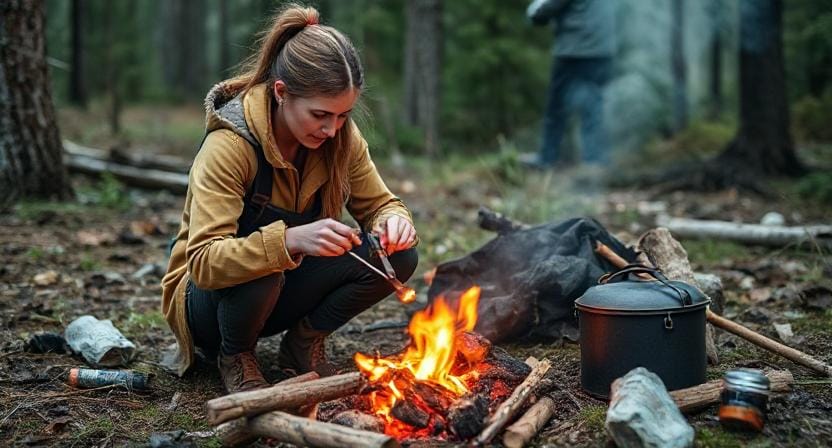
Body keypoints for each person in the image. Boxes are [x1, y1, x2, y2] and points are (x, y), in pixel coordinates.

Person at [161, 4, 418, 394]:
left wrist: (392, 222)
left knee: (400, 257)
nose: (333, 129)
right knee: (266, 266)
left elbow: (380, 204)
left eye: (344, 115)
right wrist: (288, 241)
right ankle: (236, 355)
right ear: (281, 93)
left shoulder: (340, 140)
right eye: (321, 115)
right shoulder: (229, 146)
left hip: (279, 291)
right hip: (209, 307)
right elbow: (203, 264)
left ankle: (302, 342)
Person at [525, 0, 616, 169]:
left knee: (556, 109)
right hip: (603, 50)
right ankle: (595, 162)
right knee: (594, 107)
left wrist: (533, 11)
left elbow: (543, 12)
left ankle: (547, 159)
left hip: (575, 50)